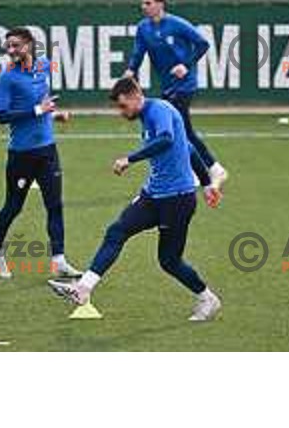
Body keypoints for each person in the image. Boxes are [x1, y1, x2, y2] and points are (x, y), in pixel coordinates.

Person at [48, 77, 222, 321]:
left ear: (135, 95)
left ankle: (207, 298)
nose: (121, 112)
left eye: (122, 106)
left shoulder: (158, 110)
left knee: (169, 261)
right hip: (153, 196)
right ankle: (83, 289)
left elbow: (167, 139)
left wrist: (130, 159)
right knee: (117, 231)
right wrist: (206, 184)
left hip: (177, 200)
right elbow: (189, 149)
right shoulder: (147, 117)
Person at [0, 27, 81, 279]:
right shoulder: (7, 77)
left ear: (29, 45)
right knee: (14, 206)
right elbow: (2, 116)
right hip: (21, 154)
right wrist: (37, 111)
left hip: (47, 150)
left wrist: (55, 114)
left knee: (55, 205)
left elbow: (43, 103)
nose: (11, 51)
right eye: (8, 46)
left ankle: (59, 260)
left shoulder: (44, 66)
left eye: (15, 45)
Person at [124, 0, 227, 189]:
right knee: (183, 130)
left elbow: (202, 44)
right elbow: (138, 52)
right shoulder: (143, 28)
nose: (144, 7)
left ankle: (213, 169)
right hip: (167, 86)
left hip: (184, 85)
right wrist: (130, 71)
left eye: (148, 3)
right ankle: (206, 170)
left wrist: (185, 65)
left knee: (183, 129)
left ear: (160, 3)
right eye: (142, 3)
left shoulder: (177, 24)